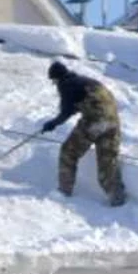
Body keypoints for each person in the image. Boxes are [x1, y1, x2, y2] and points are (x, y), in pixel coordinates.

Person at [41, 60, 126, 207]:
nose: (55, 84)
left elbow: (66, 111)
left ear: (56, 78)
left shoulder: (66, 84)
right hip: (113, 122)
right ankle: (117, 197)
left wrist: (52, 124)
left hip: (94, 122)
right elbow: (80, 103)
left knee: (68, 152)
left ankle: (64, 190)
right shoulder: (85, 81)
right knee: (107, 161)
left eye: (53, 81)